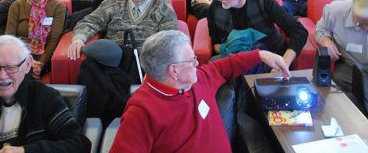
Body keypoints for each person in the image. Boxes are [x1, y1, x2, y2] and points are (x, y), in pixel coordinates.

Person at [110, 30, 290, 152]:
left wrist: (260, 55)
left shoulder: (197, 79)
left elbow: (223, 66)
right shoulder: (141, 112)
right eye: (191, 60)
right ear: (174, 71)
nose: (197, 63)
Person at [0, 35, 91, 152]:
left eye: (11, 67)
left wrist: (25, 150)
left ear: (28, 64)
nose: (2, 76)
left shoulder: (44, 97)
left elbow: (79, 144)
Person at [67, 0, 177, 60]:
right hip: (115, 58)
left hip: (147, 60)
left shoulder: (163, 7)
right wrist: (79, 39)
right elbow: (90, 21)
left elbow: (169, 39)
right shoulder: (114, 2)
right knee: (89, 68)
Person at [208, 0, 308, 64]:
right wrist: (231, 53)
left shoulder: (262, 1)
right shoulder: (215, 6)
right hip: (234, 57)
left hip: (269, 56)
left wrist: (285, 61)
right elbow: (216, 42)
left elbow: (299, 31)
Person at [5, 0, 67, 78]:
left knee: (28, 74)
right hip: (20, 53)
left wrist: (41, 63)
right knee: (20, 72)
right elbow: (9, 37)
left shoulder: (58, 7)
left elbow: (54, 39)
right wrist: (27, 58)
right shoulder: (16, 6)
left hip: (45, 54)